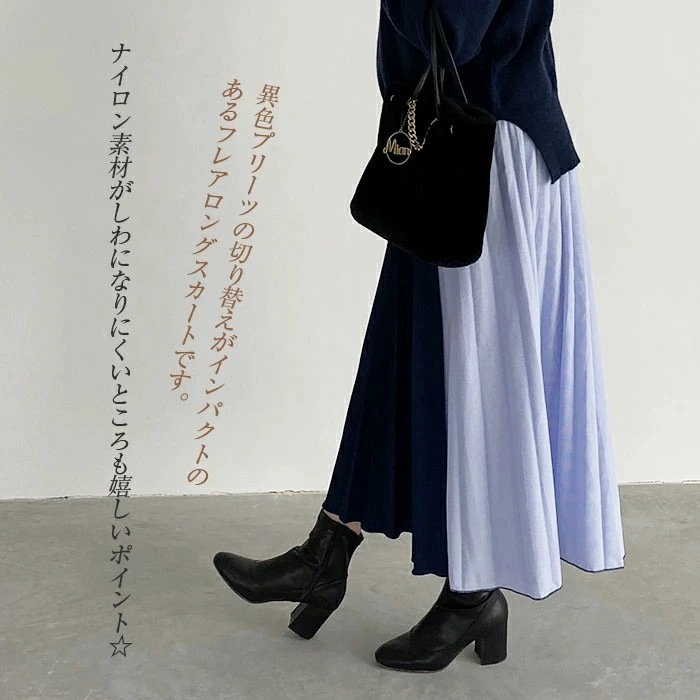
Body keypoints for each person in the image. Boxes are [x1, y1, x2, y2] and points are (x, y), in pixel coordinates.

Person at [213, 0, 626, 673]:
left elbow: (452, 30)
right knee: (398, 358)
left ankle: (472, 597)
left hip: (488, 157)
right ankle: (325, 555)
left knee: (478, 387)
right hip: (458, 149)